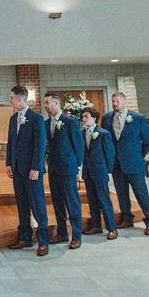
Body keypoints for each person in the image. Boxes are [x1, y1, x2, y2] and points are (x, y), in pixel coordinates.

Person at [101, 91, 149, 235]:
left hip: (133, 161)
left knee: (141, 192)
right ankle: (127, 218)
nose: (114, 104)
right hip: (116, 163)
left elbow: (148, 140)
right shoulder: (107, 118)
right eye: (113, 101)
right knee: (121, 192)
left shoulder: (138, 118)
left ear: (124, 102)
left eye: (117, 101)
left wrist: (138, 154)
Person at [5, 85, 50, 255]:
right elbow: (11, 143)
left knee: (37, 205)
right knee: (22, 204)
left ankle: (43, 241)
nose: (10, 101)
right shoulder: (13, 119)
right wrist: (9, 162)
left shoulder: (36, 118)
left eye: (11, 98)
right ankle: (25, 238)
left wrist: (36, 167)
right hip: (17, 169)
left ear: (20, 99)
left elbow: (40, 145)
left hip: (32, 171)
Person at [43, 92, 85, 249]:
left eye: (47, 102)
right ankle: (61, 233)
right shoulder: (47, 124)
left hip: (68, 168)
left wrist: (77, 167)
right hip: (53, 168)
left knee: (72, 202)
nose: (45, 105)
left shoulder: (70, 122)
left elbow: (78, 146)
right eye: (45, 103)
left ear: (56, 103)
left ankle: (76, 236)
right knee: (57, 202)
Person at [80, 107, 118, 240]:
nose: (84, 119)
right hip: (87, 172)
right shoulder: (81, 133)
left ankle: (112, 228)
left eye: (86, 116)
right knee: (92, 200)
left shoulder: (103, 133)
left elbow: (110, 154)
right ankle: (96, 226)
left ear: (94, 118)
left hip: (100, 171)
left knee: (104, 199)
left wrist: (108, 171)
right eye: (83, 117)